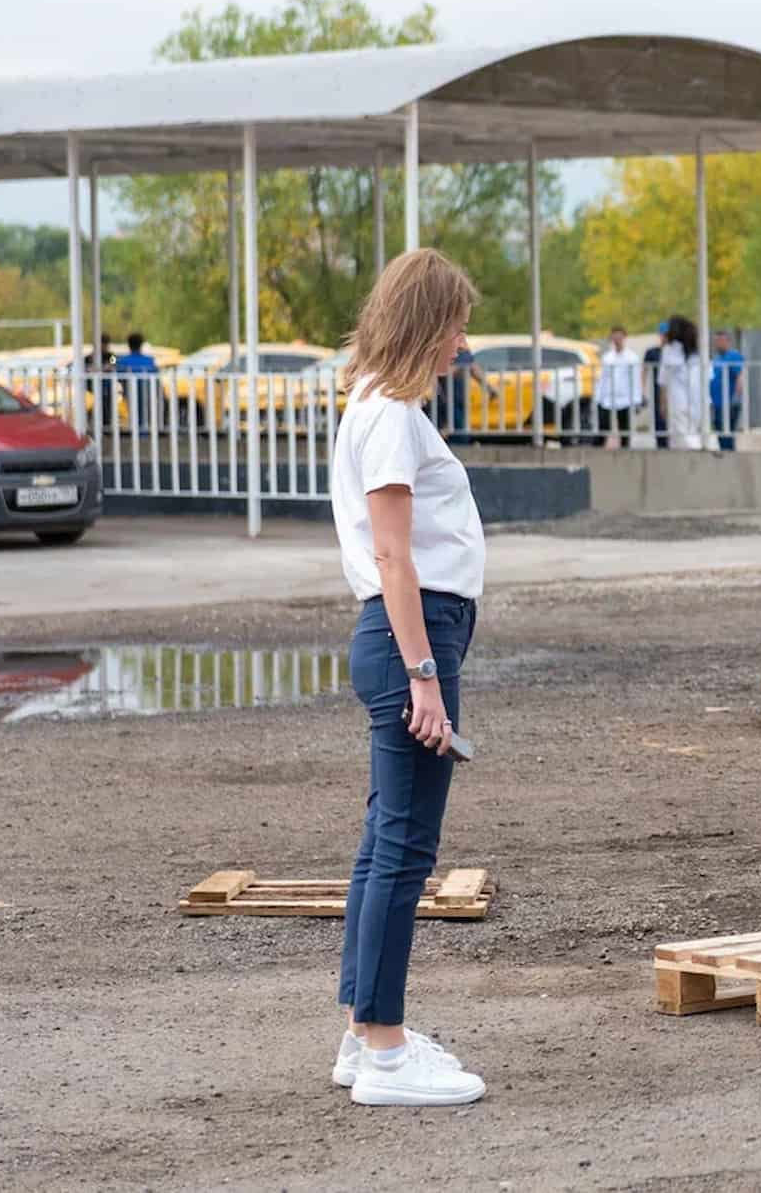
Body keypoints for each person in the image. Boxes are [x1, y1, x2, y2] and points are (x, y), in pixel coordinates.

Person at [328, 248, 488, 1107]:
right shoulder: (390, 413)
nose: (463, 342)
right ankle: (387, 1053)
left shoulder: (375, 405)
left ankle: (364, 1030)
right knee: (404, 849)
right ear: (425, 323)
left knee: (383, 839)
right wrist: (425, 673)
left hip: (407, 636)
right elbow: (394, 554)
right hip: (410, 638)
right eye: (455, 323)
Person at [658, 316, 706, 450]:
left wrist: (662, 402)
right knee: (692, 433)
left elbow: (663, 380)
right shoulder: (698, 351)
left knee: (682, 436)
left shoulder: (669, 350)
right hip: (698, 400)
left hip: (679, 402)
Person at [593, 325, 643, 449]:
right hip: (608, 397)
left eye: (619, 335)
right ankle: (599, 447)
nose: (617, 338)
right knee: (603, 424)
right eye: (614, 335)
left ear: (624, 337)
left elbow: (635, 379)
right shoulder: (607, 358)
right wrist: (598, 396)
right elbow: (602, 378)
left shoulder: (632, 357)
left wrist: (636, 399)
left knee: (624, 426)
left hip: (624, 398)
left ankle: (625, 449)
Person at [441, 342, 494, 445]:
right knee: (456, 433)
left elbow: (473, 368)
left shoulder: (462, 351)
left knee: (456, 430)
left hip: (457, 397)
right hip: (447, 398)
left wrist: (489, 388)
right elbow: (447, 372)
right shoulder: (455, 349)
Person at [709, 328, 745, 452]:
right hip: (718, 403)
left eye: (720, 340)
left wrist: (736, 399)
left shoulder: (733, 355)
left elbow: (740, 377)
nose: (717, 343)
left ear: (727, 341)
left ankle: (729, 459)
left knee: (727, 434)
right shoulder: (717, 358)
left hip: (729, 402)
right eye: (716, 341)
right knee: (720, 432)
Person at [117, 332, 158, 431]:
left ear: (129, 345)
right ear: (141, 344)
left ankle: (136, 429)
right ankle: (144, 429)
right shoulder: (149, 360)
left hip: (129, 390)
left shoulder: (122, 360)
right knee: (145, 410)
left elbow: (118, 375)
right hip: (147, 390)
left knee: (133, 410)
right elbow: (156, 374)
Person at [643, 322, 669, 449]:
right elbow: (644, 371)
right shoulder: (652, 352)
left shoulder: (675, 352)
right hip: (658, 390)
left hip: (673, 391)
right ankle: (661, 445)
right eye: (663, 334)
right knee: (659, 418)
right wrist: (642, 390)